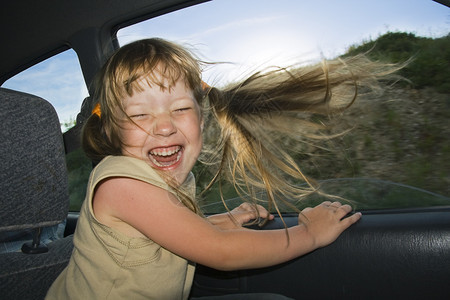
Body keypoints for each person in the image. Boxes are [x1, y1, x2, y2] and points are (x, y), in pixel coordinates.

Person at [46, 38, 399, 299]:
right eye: (140, 114)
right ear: (110, 128)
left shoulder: (156, 183)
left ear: (202, 117)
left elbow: (164, 235)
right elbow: (220, 251)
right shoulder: (121, 183)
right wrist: (309, 233)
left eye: (180, 109)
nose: (165, 126)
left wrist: (225, 220)